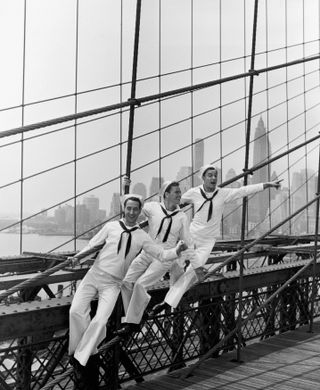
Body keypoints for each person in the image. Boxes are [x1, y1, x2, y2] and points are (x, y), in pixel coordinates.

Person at [68, 193, 187, 371]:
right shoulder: (110, 227)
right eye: (128, 208)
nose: (131, 212)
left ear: (140, 211)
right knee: (75, 311)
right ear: (123, 209)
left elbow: (161, 254)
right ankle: (77, 351)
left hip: (113, 284)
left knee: (100, 321)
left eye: (135, 209)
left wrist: (176, 251)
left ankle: (81, 356)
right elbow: (92, 246)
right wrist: (77, 258)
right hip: (94, 276)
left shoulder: (141, 236)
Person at [151, 164, 282, 314]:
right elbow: (175, 201)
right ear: (203, 178)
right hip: (191, 236)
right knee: (176, 265)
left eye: (215, 175)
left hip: (208, 241)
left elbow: (243, 191)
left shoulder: (223, 193)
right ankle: (172, 292)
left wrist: (267, 185)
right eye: (210, 175)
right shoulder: (194, 192)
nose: (213, 178)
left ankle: (166, 303)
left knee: (194, 271)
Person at [115, 180, 196, 336]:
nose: (180, 195)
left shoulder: (181, 217)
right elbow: (132, 207)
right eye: (177, 192)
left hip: (164, 258)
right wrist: (126, 187)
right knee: (126, 282)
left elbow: (188, 242)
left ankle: (131, 322)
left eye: (180, 192)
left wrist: (187, 263)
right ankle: (138, 314)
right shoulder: (153, 207)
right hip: (148, 252)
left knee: (140, 285)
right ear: (166, 194)